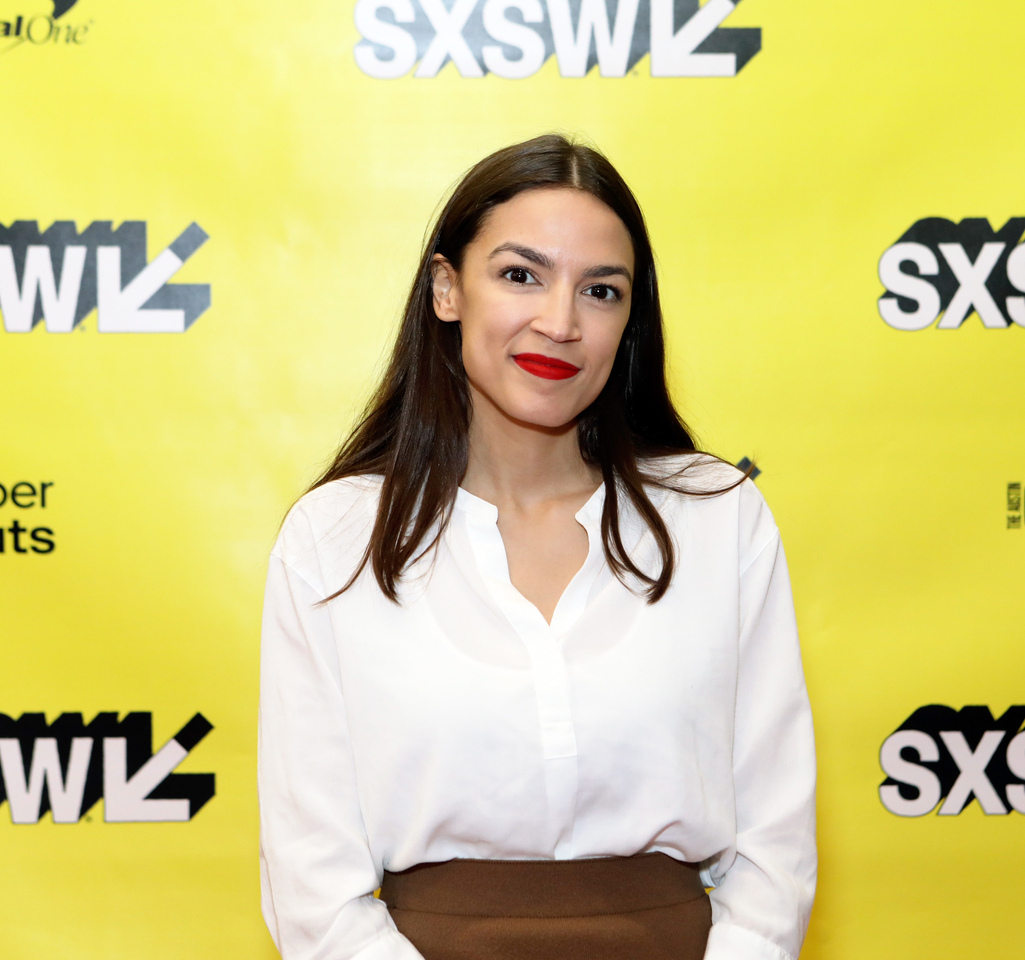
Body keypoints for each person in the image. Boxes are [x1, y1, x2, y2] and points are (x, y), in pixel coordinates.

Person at [258, 134, 815, 960]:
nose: (560, 323)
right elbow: (313, 885)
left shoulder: (718, 516)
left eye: (600, 290)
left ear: (630, 319)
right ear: (447, 289)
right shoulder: (334, 539)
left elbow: (774, 845)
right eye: (521, 275)